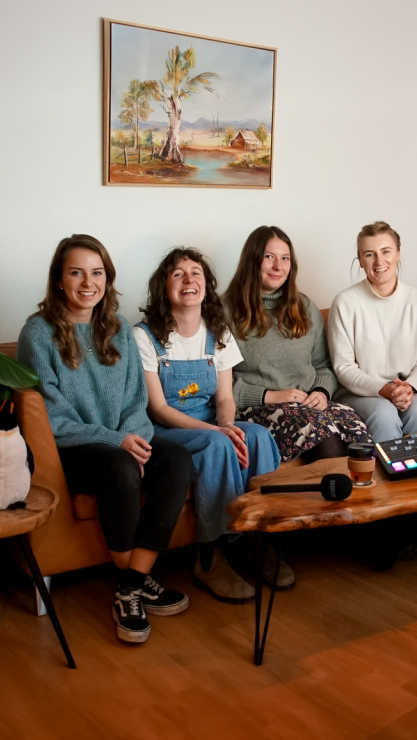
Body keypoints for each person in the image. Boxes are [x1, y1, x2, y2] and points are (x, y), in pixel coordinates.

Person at [17, 235, 192, 645]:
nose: (87, 282)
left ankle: (131, 584)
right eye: (76, 272)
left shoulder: (117, 330)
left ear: (107, 279)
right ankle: (134, 584)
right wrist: (117, 441)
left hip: (122, 439)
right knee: (120, 464)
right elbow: (52, 417)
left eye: (97, 273)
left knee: (177, 458)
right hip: (73, 451)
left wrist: (137, 439)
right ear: (59, 280)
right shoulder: (38, 335)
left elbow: (136, 401)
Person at [134, 248, 281, 604]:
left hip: (211, 421)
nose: (189, 280)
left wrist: (228, 424)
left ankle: (258, 540)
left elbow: (225, 398)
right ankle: (209, 557)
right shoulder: (145, 336)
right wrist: (217, 433)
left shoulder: (219, 332)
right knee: (218, 445)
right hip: (168, 429)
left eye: (196, 273)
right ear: (163, 287)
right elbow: (158, 408)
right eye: (178, 274)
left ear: (206, 284)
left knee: (257, 435)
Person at [224, 225, 372, 461]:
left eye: (285, 258)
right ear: (252, 261)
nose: (278, 266)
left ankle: (366, 497)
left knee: (355, 430)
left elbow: (323, 365)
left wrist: (322, 392)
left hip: (307, 403)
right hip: (256, 408)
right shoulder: (225, 312)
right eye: (269, 257)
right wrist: (269, 395)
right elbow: (214, 381)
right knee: (320, 432)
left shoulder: (304, 307)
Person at [327, 221, 417, 442]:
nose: (379, 261)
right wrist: (383, 389)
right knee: (384, 414)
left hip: (408, 389)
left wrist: (409, 388)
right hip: (359, 393)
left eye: (386, 251)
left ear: (398, 253)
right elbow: (343, 367)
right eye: (369, 254)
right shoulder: (345, 303)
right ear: (360, 261)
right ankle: (386, 476)